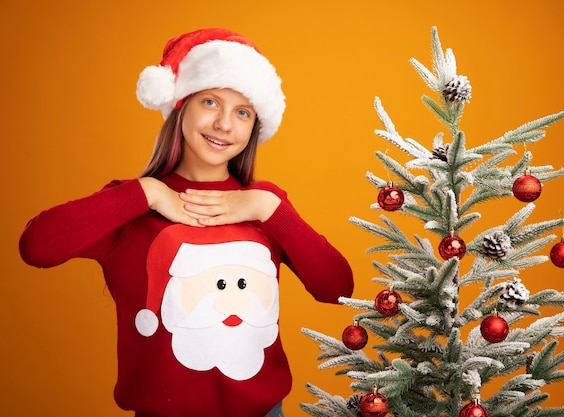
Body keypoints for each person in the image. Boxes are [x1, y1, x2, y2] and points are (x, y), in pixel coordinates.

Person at [19, 28, 354, 417]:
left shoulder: (265, 205)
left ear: (253, 128)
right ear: (181, 106)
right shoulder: (131, 207)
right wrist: (147, 193)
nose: (224, 124)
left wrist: (267, 207)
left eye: (242, 112)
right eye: (210, 101)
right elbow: (36, 246)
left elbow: (338, 288)